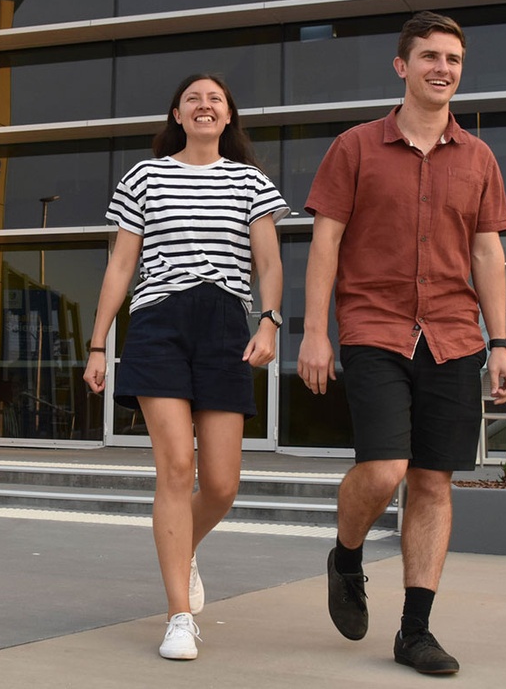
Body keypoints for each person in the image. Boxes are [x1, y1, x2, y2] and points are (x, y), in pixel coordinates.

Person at [297, 12, 506, 676]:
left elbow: (487, 251)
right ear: (402, 66)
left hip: (454, 335)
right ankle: (347, 551)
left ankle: (414, 631)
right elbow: (326, 244)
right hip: (375, 326)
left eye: (452, 57)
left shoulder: (478, 157)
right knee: (387, 467)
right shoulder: (355, 147)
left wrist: (501, 342)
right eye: (429, 56)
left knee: (432, 480)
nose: (442, 68)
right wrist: (314, 332)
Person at [84, 73, 288, 660]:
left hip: (225, 325)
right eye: (193, 98)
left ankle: (183, 549)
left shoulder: (250, 181)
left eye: (215, 100)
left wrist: (269, 321)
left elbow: (268, 262)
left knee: (221, 484)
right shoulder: (145, 176)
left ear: (228, 118)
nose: (204, 106)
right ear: (177, 112)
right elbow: (122, 265)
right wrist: (99, 343)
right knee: (176, 468)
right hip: (158, 325)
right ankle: (178, 615)